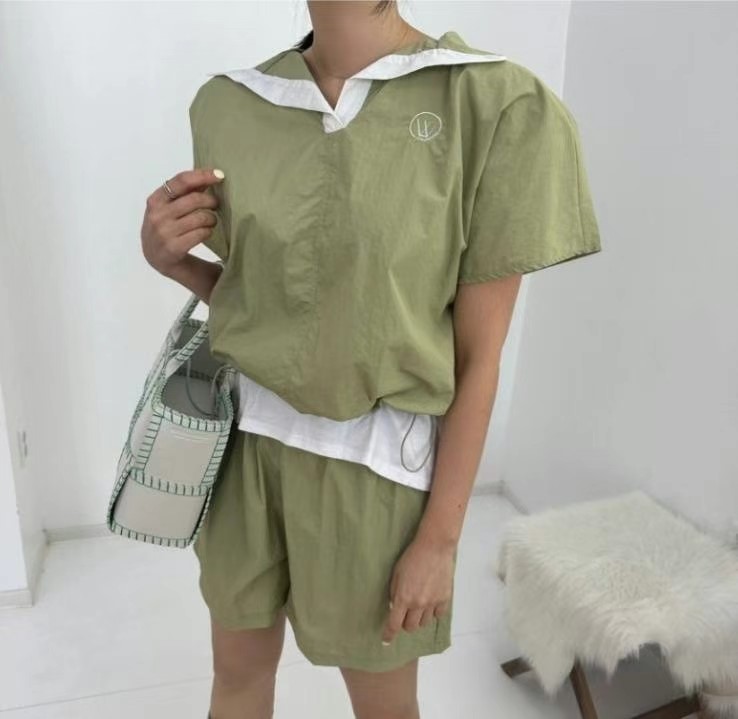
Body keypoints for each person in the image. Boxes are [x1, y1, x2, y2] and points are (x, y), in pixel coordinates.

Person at [140, 2, 602, 717]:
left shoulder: (492, 102)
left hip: (375, 469)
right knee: (237, 677)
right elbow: (264, 305)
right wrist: (170, 261)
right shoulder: (231, 103)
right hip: (243, 454)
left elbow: (478, 359)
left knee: (383, 707)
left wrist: (439, 542)